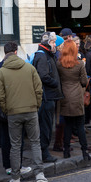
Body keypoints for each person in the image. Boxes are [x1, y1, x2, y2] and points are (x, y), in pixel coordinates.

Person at [0, 41, 48, 182]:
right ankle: (40, 174)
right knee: (35, 142)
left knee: (15, 145)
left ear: (5, 54)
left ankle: (16, 177)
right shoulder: (29, 68)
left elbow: (0, 96)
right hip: (31, 110)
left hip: (13, 113)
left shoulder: (1, 71)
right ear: (17, 52)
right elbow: (39, 89)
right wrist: (36, 105)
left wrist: (7, 109)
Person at [0, 51, 31, 176]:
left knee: (5, 138)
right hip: (17, 107)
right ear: (15, 52)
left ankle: (7, 166)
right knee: (18, 138)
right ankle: (17, 166)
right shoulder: (21, 66)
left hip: (2, 109)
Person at [56, 40, 91, 161]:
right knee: (80, 126)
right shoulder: (80, 64)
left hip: (64, 97)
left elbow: (58, 80)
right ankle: (84, 152)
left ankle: (66, 151)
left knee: (68, 126)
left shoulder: (59, 64)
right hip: (77, 97)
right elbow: (84, 82)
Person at [33, 32, 63, 162]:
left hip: (49, 96)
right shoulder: (42, 56)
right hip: (46, 97)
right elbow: (43, 76)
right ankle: (44, 154)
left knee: (46, 126)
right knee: (45, 127)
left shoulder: (46, 55)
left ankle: (44, 153)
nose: (54, 44)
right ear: (47, 43)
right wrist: (55, 82)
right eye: (53, 42)